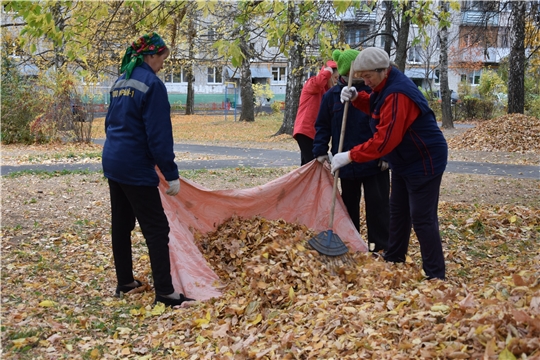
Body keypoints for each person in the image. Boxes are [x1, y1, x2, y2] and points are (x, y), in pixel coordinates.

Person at [335, 47, 448, 280]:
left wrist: (350, 155)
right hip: (404, 159)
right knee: (398, 210)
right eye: (361, 77)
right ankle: (395, 256)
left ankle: (436, 275)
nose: (365, 82)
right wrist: (358, 98)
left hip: (424, 159)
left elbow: (384, 141)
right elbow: (378, 108)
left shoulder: (398, 93)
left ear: (383, 70)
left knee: (422, 217)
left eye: (368, 77)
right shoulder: (383, 85)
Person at [102, 32, 193, 307]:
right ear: (150, 56)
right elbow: (159, 135)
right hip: (134, 166)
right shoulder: (151, 85)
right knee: (156, 228)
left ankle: (125, 283)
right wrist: (171, 173)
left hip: (113, 161)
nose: (163, 64)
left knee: (121, 224)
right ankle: (166, 293)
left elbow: (110, 123)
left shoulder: (121, 81)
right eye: (162, 58)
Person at [313, 49, 390, 253]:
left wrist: (386, 156)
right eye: (350, 74)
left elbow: (388, 128)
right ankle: (352, 246)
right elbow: (322, 125)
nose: (355, 78)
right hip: (346, 165)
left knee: (378, 207)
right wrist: (320, 151)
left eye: (360, 74)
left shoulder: (375, 93)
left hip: (375, 164)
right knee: (348, 209)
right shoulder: (331, 97)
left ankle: (379, 248)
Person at [293, 60, 339, 165]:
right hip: (306, 130)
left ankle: (304, 182)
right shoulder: (312, 83)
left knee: (307, 166)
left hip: (315, 133)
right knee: (313, 165)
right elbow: (318, 83)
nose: (337, 82)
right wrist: (327, 72)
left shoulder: (329, 93)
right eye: (335, 78)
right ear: (329, 75)